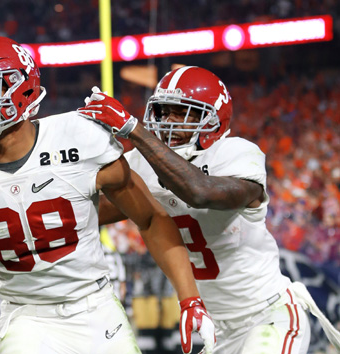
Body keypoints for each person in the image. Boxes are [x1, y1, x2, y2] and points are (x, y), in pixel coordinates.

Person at [0, 36, 215, 354]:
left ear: (21, 88)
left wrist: (189, 299)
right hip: (27, 316)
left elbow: (150, 219)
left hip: (95, 307)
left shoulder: (80, 139)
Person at [78, 65, 340, 353]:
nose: (169, 122)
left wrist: (133, 129)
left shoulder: (237, 153)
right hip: (219, 330)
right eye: (163, 112)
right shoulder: (144, 162)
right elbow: (90, 213)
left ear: (213, 121)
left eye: (182, 113)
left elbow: (200, 192)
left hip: (268, 316)